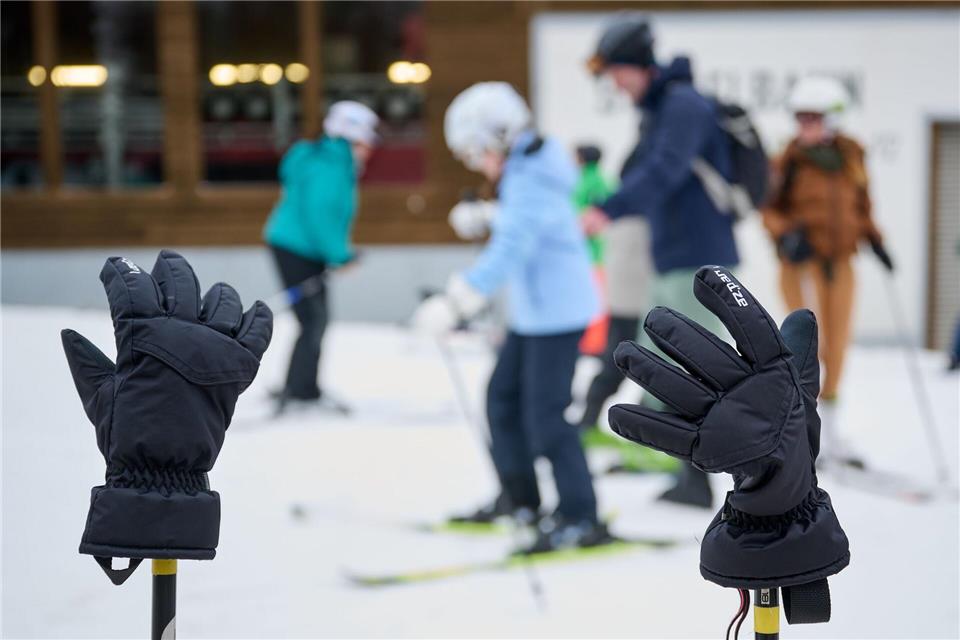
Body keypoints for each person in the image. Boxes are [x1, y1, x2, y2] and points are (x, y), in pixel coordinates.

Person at [412, 82, 606, 552]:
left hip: (557, 313)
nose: (477, 163)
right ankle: (520, 499)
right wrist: (487, 216)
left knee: (546, 415)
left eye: (477, 152)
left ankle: (581, 515)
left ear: (498, 136)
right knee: (502, 398)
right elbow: (524, 223)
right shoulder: (527, 168)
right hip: (535, 312)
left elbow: (514, 246)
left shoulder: (531, 178)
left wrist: (458, 301)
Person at [580, 15, 739, 507]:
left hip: (698, 259)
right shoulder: (660, 107)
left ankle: (705, 480)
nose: (615, 85)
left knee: (693, 371)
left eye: (617, 73)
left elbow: (665, 168)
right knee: (671, 366)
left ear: (638, 64)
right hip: (671, 256)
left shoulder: (683, 105)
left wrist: (609, 208)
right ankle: (688, 475)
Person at [761, 75, 891, 460]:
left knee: (838, 347)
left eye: (813, 118)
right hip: (803, 263)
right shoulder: (788, 160)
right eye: (800, 119)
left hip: (841, 262)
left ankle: (831, 431)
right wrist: (786, 235)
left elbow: (861, 205)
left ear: (833, 119)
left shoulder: (852, 156)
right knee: (807, 348)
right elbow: (768, 207)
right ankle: (802, 432)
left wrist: (876, 240)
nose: (805, 127)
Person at [263, 101, 379, 414]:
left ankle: (303, 388)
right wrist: (341, 256)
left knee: (314, 320)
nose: (370, 149)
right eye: (367, 141)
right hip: (297, 247)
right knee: (313, 320)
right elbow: (321, 215)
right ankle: (300, 391)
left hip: (300, 247)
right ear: (350, 138)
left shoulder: (330, 160)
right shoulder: (331, 165)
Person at [572, 145, 612, 357]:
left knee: (594, 301)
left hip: (594, 253)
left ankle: (594, 346)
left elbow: (596, 218)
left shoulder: (591, 182)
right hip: (590, 254)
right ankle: (591, 343)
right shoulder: (596, 179)